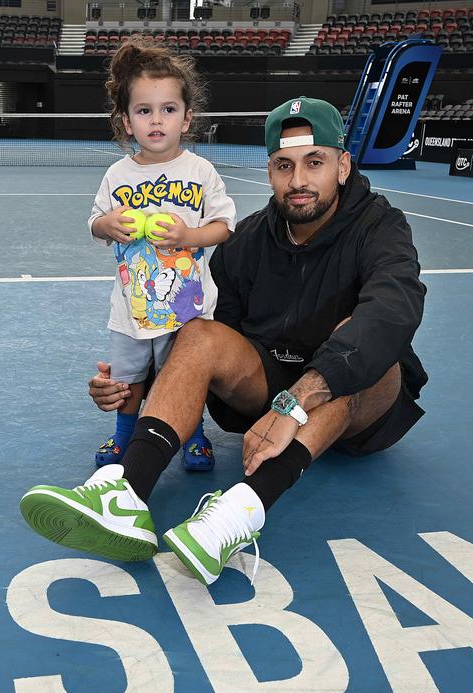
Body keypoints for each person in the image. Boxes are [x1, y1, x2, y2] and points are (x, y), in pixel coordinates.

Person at [21, 97, 427, 586]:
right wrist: (135, 384)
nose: (298, 180)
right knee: (199, 332)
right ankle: (126, 494)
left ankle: (239, 512)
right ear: (270, 172)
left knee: (359, 348)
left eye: (314, 162)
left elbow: (392, 310)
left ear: (342, 166)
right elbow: (209, 336)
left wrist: (295, 404)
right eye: (283, 165)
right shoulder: (247, 239)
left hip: (362, 405)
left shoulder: (381, 227)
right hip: (269, 385)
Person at [86, 38, 236, 472]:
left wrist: (190, 233)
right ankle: (123, 436)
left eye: (168, 109)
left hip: (188, 306)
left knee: (184, 374)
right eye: (144, 110)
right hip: (132, 306)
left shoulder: (200, 171)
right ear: (126, 121)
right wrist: (108, 224)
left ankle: (194, 434)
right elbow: (95, 223)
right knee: (128, 377)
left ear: (187, 118)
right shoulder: (117, 174)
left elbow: (224, 227)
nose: (157, 120)